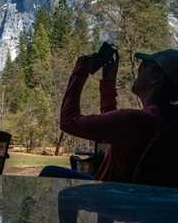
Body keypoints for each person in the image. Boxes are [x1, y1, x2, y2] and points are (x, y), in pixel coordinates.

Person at [41, 49, 178, 183]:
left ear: (156, 77)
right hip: (131, 197)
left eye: (145, 65)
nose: (139, 68)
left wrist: (81, 69)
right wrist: (108, 81)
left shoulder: (138, 120)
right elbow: (114, 129)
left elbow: (69, 122)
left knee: (50, 172)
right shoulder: (166, 119)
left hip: (108, 196)